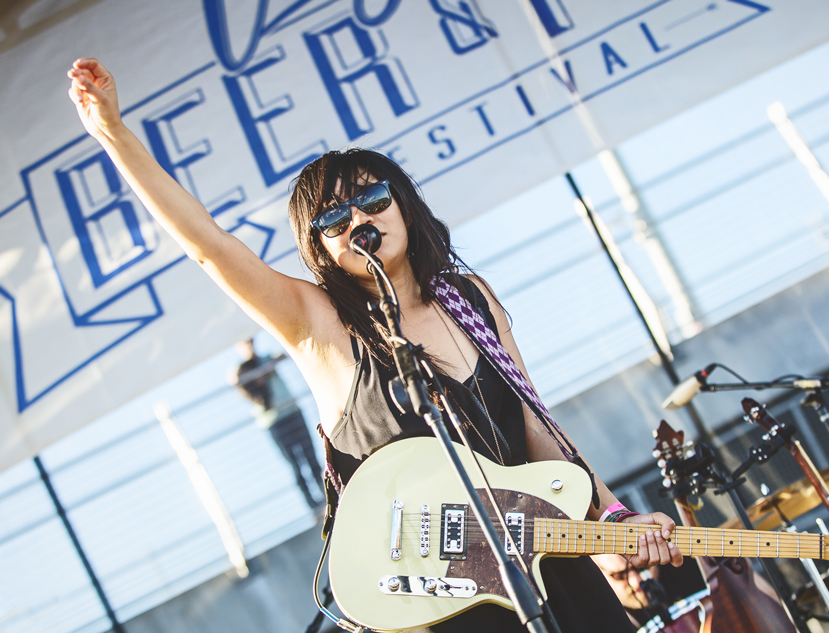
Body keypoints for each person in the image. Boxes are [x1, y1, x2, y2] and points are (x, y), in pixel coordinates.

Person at [67, 58, 684, 633]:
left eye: (371, 199)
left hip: (539, 564)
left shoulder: (467, 297)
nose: (358, 220)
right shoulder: (317, 322)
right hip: (430, 600)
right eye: (333, 220)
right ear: (320, 247)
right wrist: (113, 134)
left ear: (404, 207)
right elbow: (210, 247)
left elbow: (535, 428)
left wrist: (612, 520)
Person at [230, 338, 324, 508]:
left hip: (292, 412)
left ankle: (326, 496)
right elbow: (236, 382)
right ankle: (312, 504)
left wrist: (264, 368)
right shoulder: (241, 370)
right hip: (274, 421)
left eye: (250, 341)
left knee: (311, 457)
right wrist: (260, 373)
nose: (249, 345)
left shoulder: (266, 359)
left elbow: (283, 355)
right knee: (295, 465)